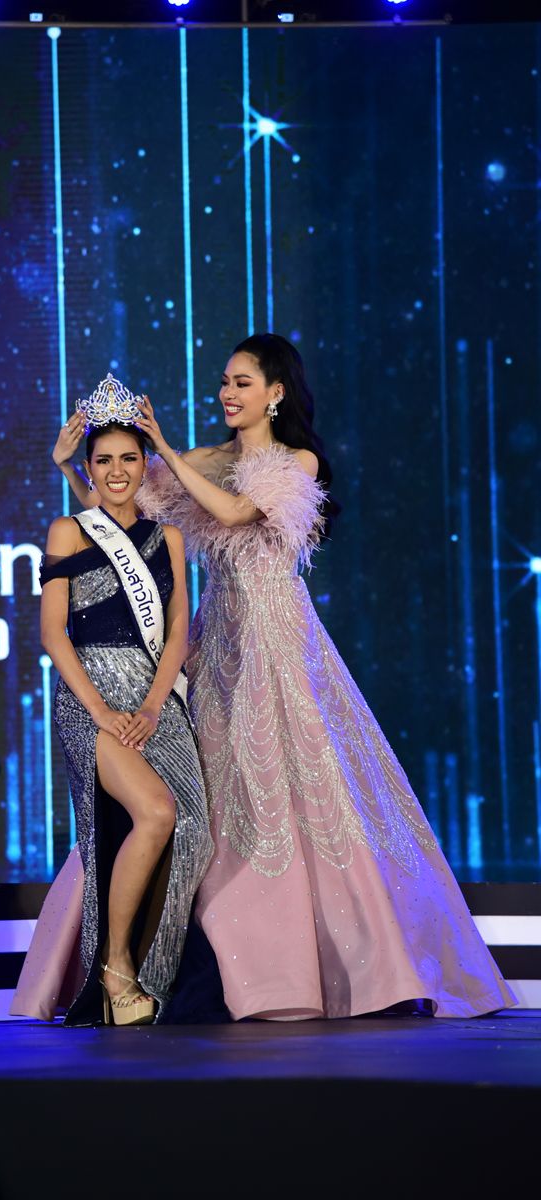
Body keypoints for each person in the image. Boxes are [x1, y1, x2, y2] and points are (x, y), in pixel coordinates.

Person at [54, 335, 515, 1021]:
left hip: (275, 636)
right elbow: (118, 523)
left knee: (302, 781)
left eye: (242, 382)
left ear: (275, 392)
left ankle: (323, 957)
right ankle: (168, 950)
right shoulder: (208, 459)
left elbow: (237, 512)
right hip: (214, 638)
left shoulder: (295, 462)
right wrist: (70, 465)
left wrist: (168, 451)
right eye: (224, 381)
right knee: (210, 783)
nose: (226, 393)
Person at [11, 374, 213, 1026]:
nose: (118, 471)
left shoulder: (168, 537)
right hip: (90, 701)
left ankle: (160, 972)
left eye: (130, 458)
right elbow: (53, 634)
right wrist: (101, 713)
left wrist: (152, 708)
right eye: (103, 461)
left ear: (146, 464)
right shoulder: (67, 531)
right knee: (154, 812)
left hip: (155, 699)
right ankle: (117, 969)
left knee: (194, 828)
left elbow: (177, 631)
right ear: (90, 467)